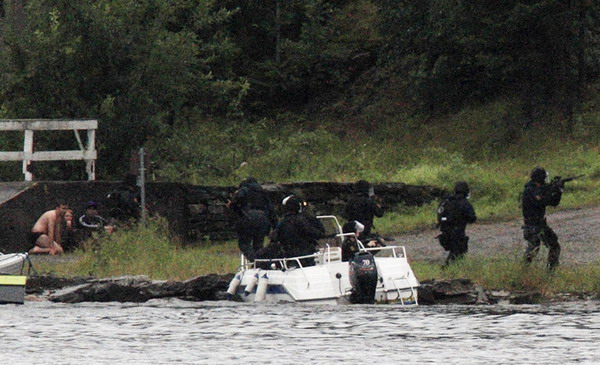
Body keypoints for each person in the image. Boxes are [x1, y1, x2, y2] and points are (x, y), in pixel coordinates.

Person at [521, 167, 563, 270]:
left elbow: (553, 202)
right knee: (533, 249)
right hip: (532, 225)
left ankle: (551, 272)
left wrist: (558, 191)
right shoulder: (530, 190)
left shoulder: (537, 189)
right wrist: (551, 190)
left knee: (554, 246)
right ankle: (523, 270)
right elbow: (541, 201)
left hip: (540, 224)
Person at [227, 177, 277, 261]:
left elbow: (236, 202)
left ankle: (254, 259)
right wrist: (275, 226)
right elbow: (271, 210)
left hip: (248, 217)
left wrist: (233, 207)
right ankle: (260, 263)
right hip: (263, 219)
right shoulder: (262, 192)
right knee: (258, 245)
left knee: (244, 243)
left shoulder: (243, 190)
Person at [271, 195, 327, 267]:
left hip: (289, 253)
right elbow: (313, 231)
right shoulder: (302, 219)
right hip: (304, 252)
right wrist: (323, 236)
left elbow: (275, 237)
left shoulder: (283, 222)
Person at [436, 181, 477, 265]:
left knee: (455, 253)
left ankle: (450, 268)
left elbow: (439, 215)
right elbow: (472, 218)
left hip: (444, 232)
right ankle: (449, 270)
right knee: (458, 254)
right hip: (457, 233)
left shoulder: (446, 201)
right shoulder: (464, 203)